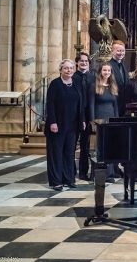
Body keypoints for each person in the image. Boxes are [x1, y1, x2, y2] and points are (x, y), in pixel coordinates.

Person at [45, 59, 86, 191]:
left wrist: (82, 120)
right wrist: (52, 122)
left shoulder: (77, 83)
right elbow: (50, 105)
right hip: (57, 125)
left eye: (71, 68)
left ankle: (69, 179)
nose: (69, 70)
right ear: (61, 70)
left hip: (72, 125)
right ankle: (56, 181)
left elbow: (81, 104)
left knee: (69, 153)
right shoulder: (55, 84)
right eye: (66, 68)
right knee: (56, 153)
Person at [89, 62, 120, 182]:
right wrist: (92, 121)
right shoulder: (94, 86)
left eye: (109, 71)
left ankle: (110, 174)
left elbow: (115, 105)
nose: (107, 73)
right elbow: (91, 105)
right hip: (99, 120)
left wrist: (116, 120)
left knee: (110, 147)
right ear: (100, 72)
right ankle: (99, 174)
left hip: (111, 119)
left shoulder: (112, 85)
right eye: (104, 70)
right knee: (99, 148)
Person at [73, 52, 94, 180]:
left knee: (85, 146)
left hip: (87, 114)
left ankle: (83, 172)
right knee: (72, 144)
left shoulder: (92, 77)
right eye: (81, 61)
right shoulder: (73, 77)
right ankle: (70, 171)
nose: (84, 63)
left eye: (86, 61)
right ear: (77, 63)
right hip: (75, 115)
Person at [109, 40, 129, 115]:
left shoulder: (124, 65)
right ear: (112, 51)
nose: (121, 53)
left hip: (124, 104)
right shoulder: (108, 65)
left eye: (123, 51)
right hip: (114, 103)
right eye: (118, 51)